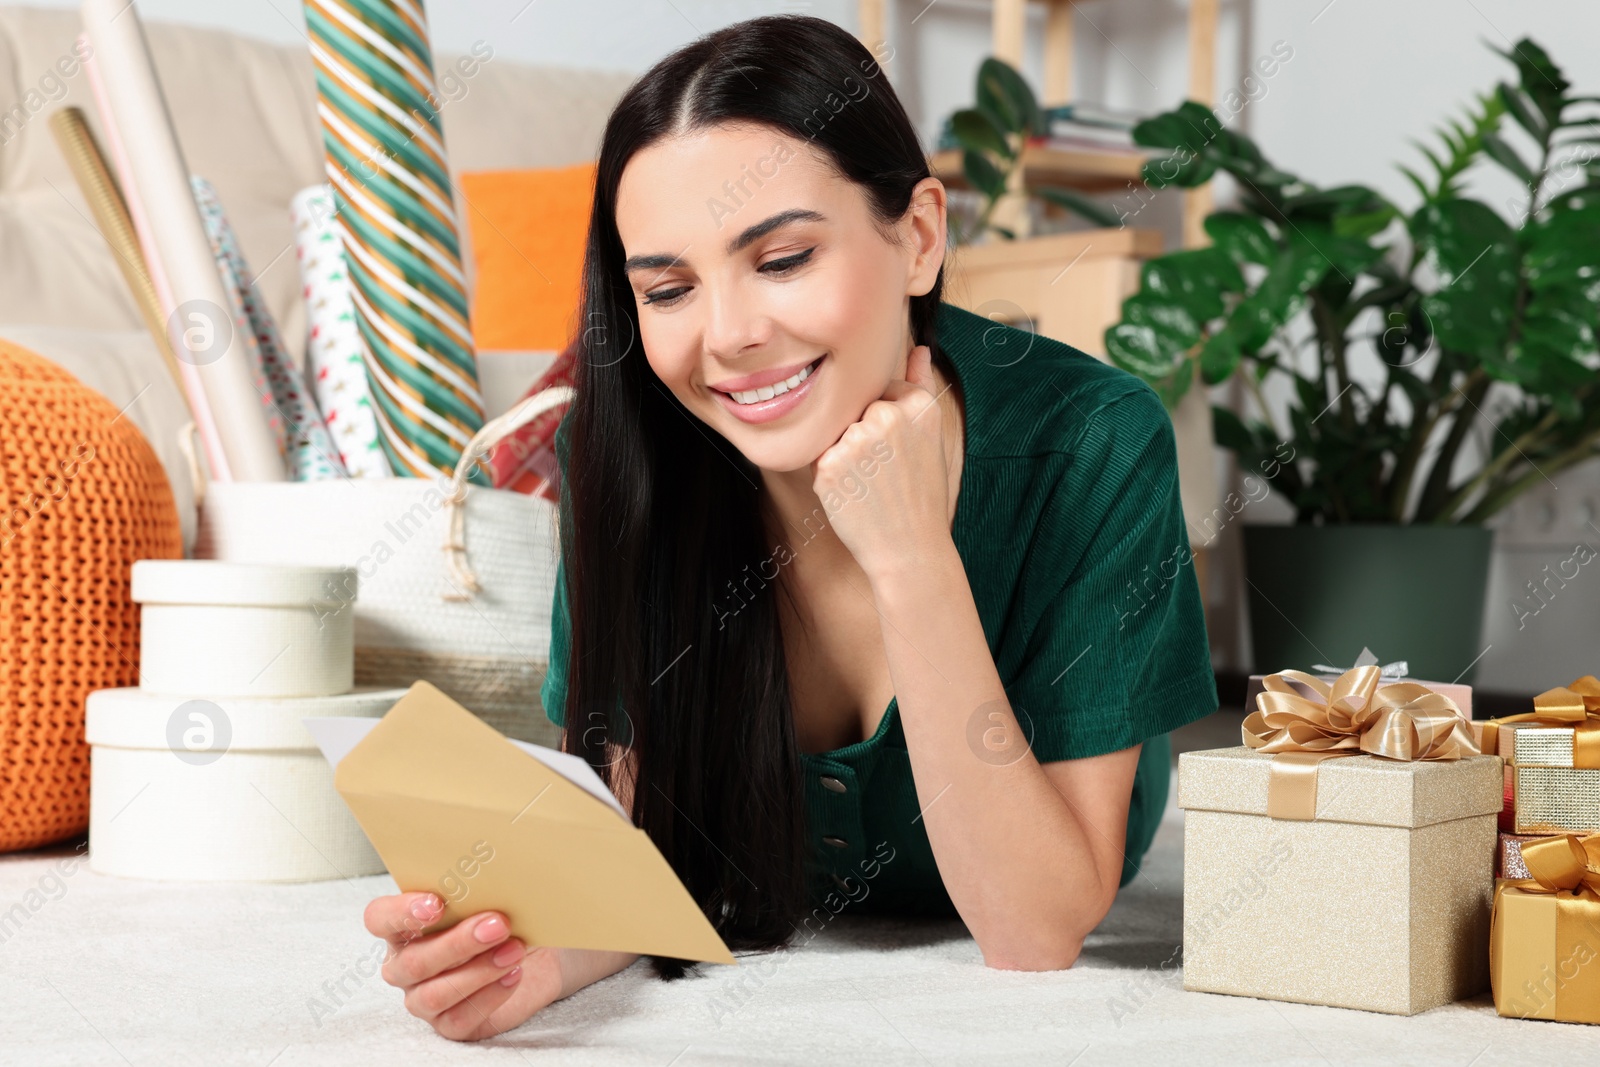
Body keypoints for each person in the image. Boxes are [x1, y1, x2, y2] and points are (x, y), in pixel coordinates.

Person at [362, 13, 1216, 1041]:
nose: (727, 336)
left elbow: (1032, 931)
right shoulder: (629, 452)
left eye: (783, 258)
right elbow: (644, 848)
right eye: (669, 288)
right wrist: (546, 943)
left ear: (919, 235)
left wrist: (909, 560)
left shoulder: (1093, 440)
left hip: (1039, 862)